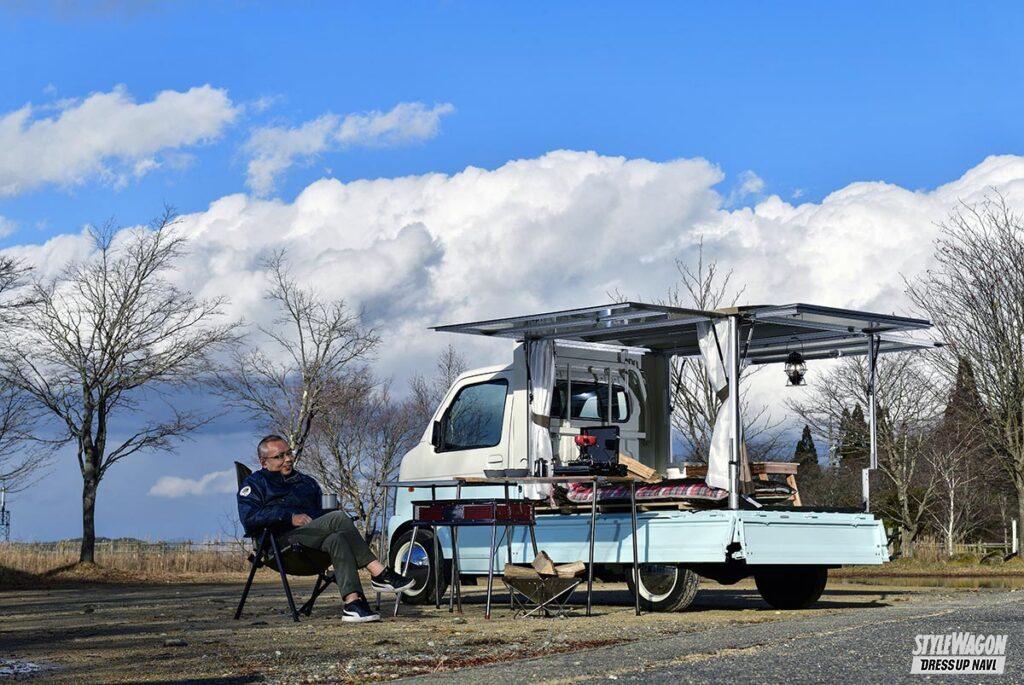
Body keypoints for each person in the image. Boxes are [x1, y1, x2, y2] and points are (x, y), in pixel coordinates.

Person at [237, 434, 413, 623]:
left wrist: (327, 511)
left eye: (289, 453)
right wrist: (289, 517)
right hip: (280, 545)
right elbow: (249, 519)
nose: (287, 459)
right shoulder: (254, 484)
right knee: (337, 518)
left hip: (312, 542)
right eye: (279, 456)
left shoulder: (306, 482)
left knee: (337, 538)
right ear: (264, 462)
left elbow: (322, 513)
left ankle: (353, 604)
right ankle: (380, 573)